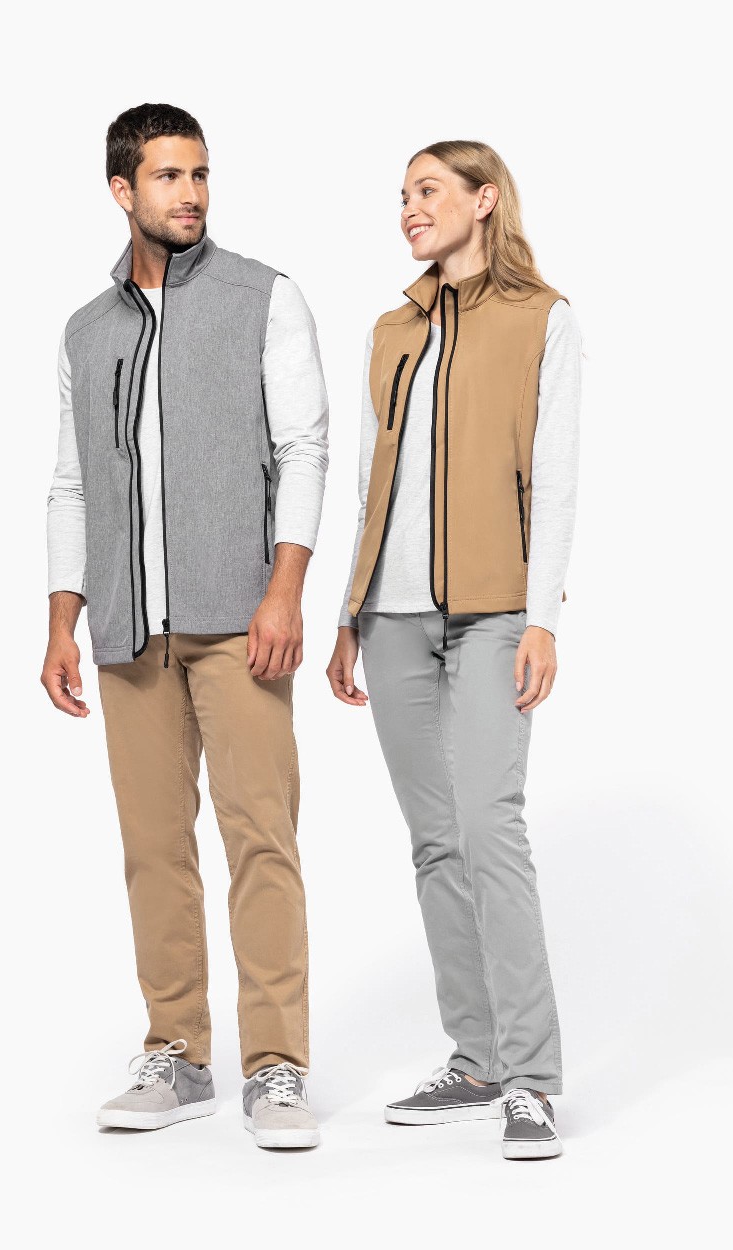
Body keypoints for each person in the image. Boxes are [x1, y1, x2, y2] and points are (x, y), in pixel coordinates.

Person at [42, 103, 328, 1150]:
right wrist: (63, 617)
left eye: (200, 173)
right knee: (153, 849)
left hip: (237, 617)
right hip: (127, 630)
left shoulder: (264, 296)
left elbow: (303, 448)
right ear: (122, 190)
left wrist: (284, 590)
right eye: (168, 176)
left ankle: (277, 1063)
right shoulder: (88, 330)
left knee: (261, 839)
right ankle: (178, 1051)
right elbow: (72, 483)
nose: (191, 193)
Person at [327, 140, 581, 1160]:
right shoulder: (392, 329)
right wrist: (348, 611)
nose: (408, 208)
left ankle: (531, 1076)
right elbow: (369, 480)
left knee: (487, 827)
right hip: (389, 615)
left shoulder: (541, 318)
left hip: (491, 610)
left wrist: (539, 617)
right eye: (401, 195)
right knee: (434, 839)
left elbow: (553, 477)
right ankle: (474, 1058)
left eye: (426, 190)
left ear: (482, 200)